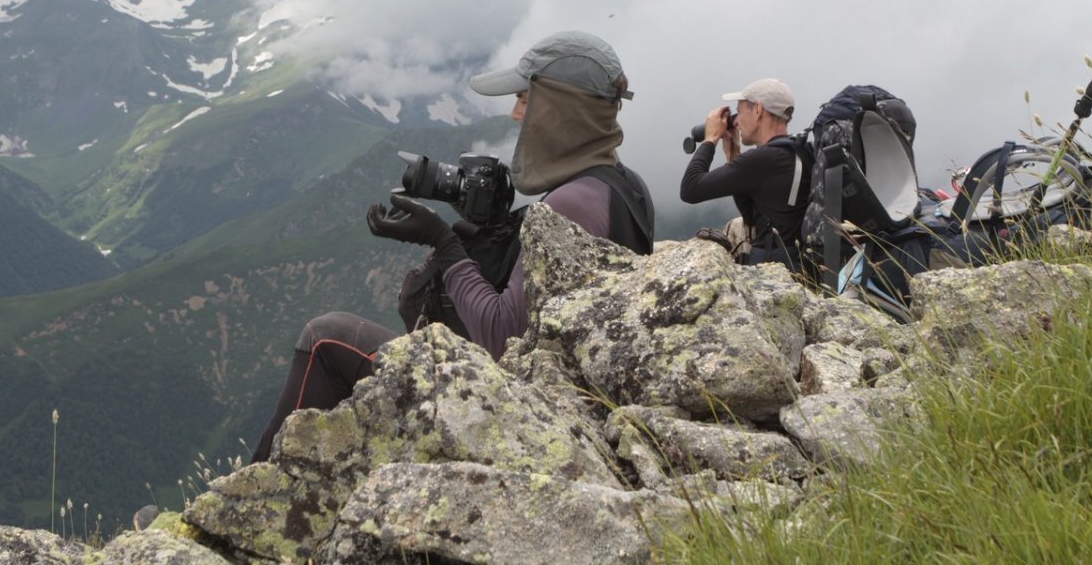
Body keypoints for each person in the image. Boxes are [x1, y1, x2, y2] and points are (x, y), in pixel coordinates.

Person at [251, 30, 654, 462]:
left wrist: (443, 241)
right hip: (567, 403)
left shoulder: (571, 203)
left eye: (524, 99)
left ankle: (252, 495)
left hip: (517, 411)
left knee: (325, 337)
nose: (517, 115)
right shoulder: (626, 187)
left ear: (559, 109)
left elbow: (501, 337)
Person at [679, 78, 810, 269]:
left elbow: (690, 189)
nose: (737, 122)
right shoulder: (799, 151)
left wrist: (710, 139)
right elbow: (753, 217)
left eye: (739, 112)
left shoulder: (762, 159)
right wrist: (733, 156)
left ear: (758, 109)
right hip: (799, 266)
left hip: (773, 275)